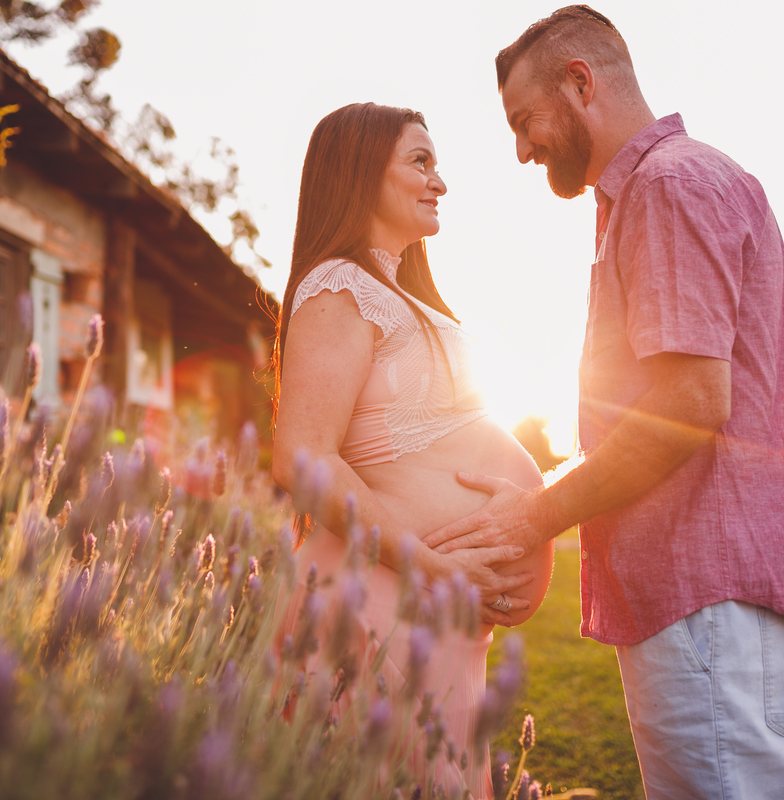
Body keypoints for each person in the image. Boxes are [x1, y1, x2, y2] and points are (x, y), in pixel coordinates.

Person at [422, 7, 784, 799]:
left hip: (709, 596)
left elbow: (688, 400)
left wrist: (531, 517)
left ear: (580, 83)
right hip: (711, 603)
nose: (521, 150)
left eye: (524, 121)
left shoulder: (667, 185)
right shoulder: (669, 186)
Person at [271, 102, 555, 797]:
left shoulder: (401, 294)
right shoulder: (339, 289)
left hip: (430, 614)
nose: (440, 182)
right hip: (383, 600)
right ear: (362, 171)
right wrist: (430, 564)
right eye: (420, 162)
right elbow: (304, 459)